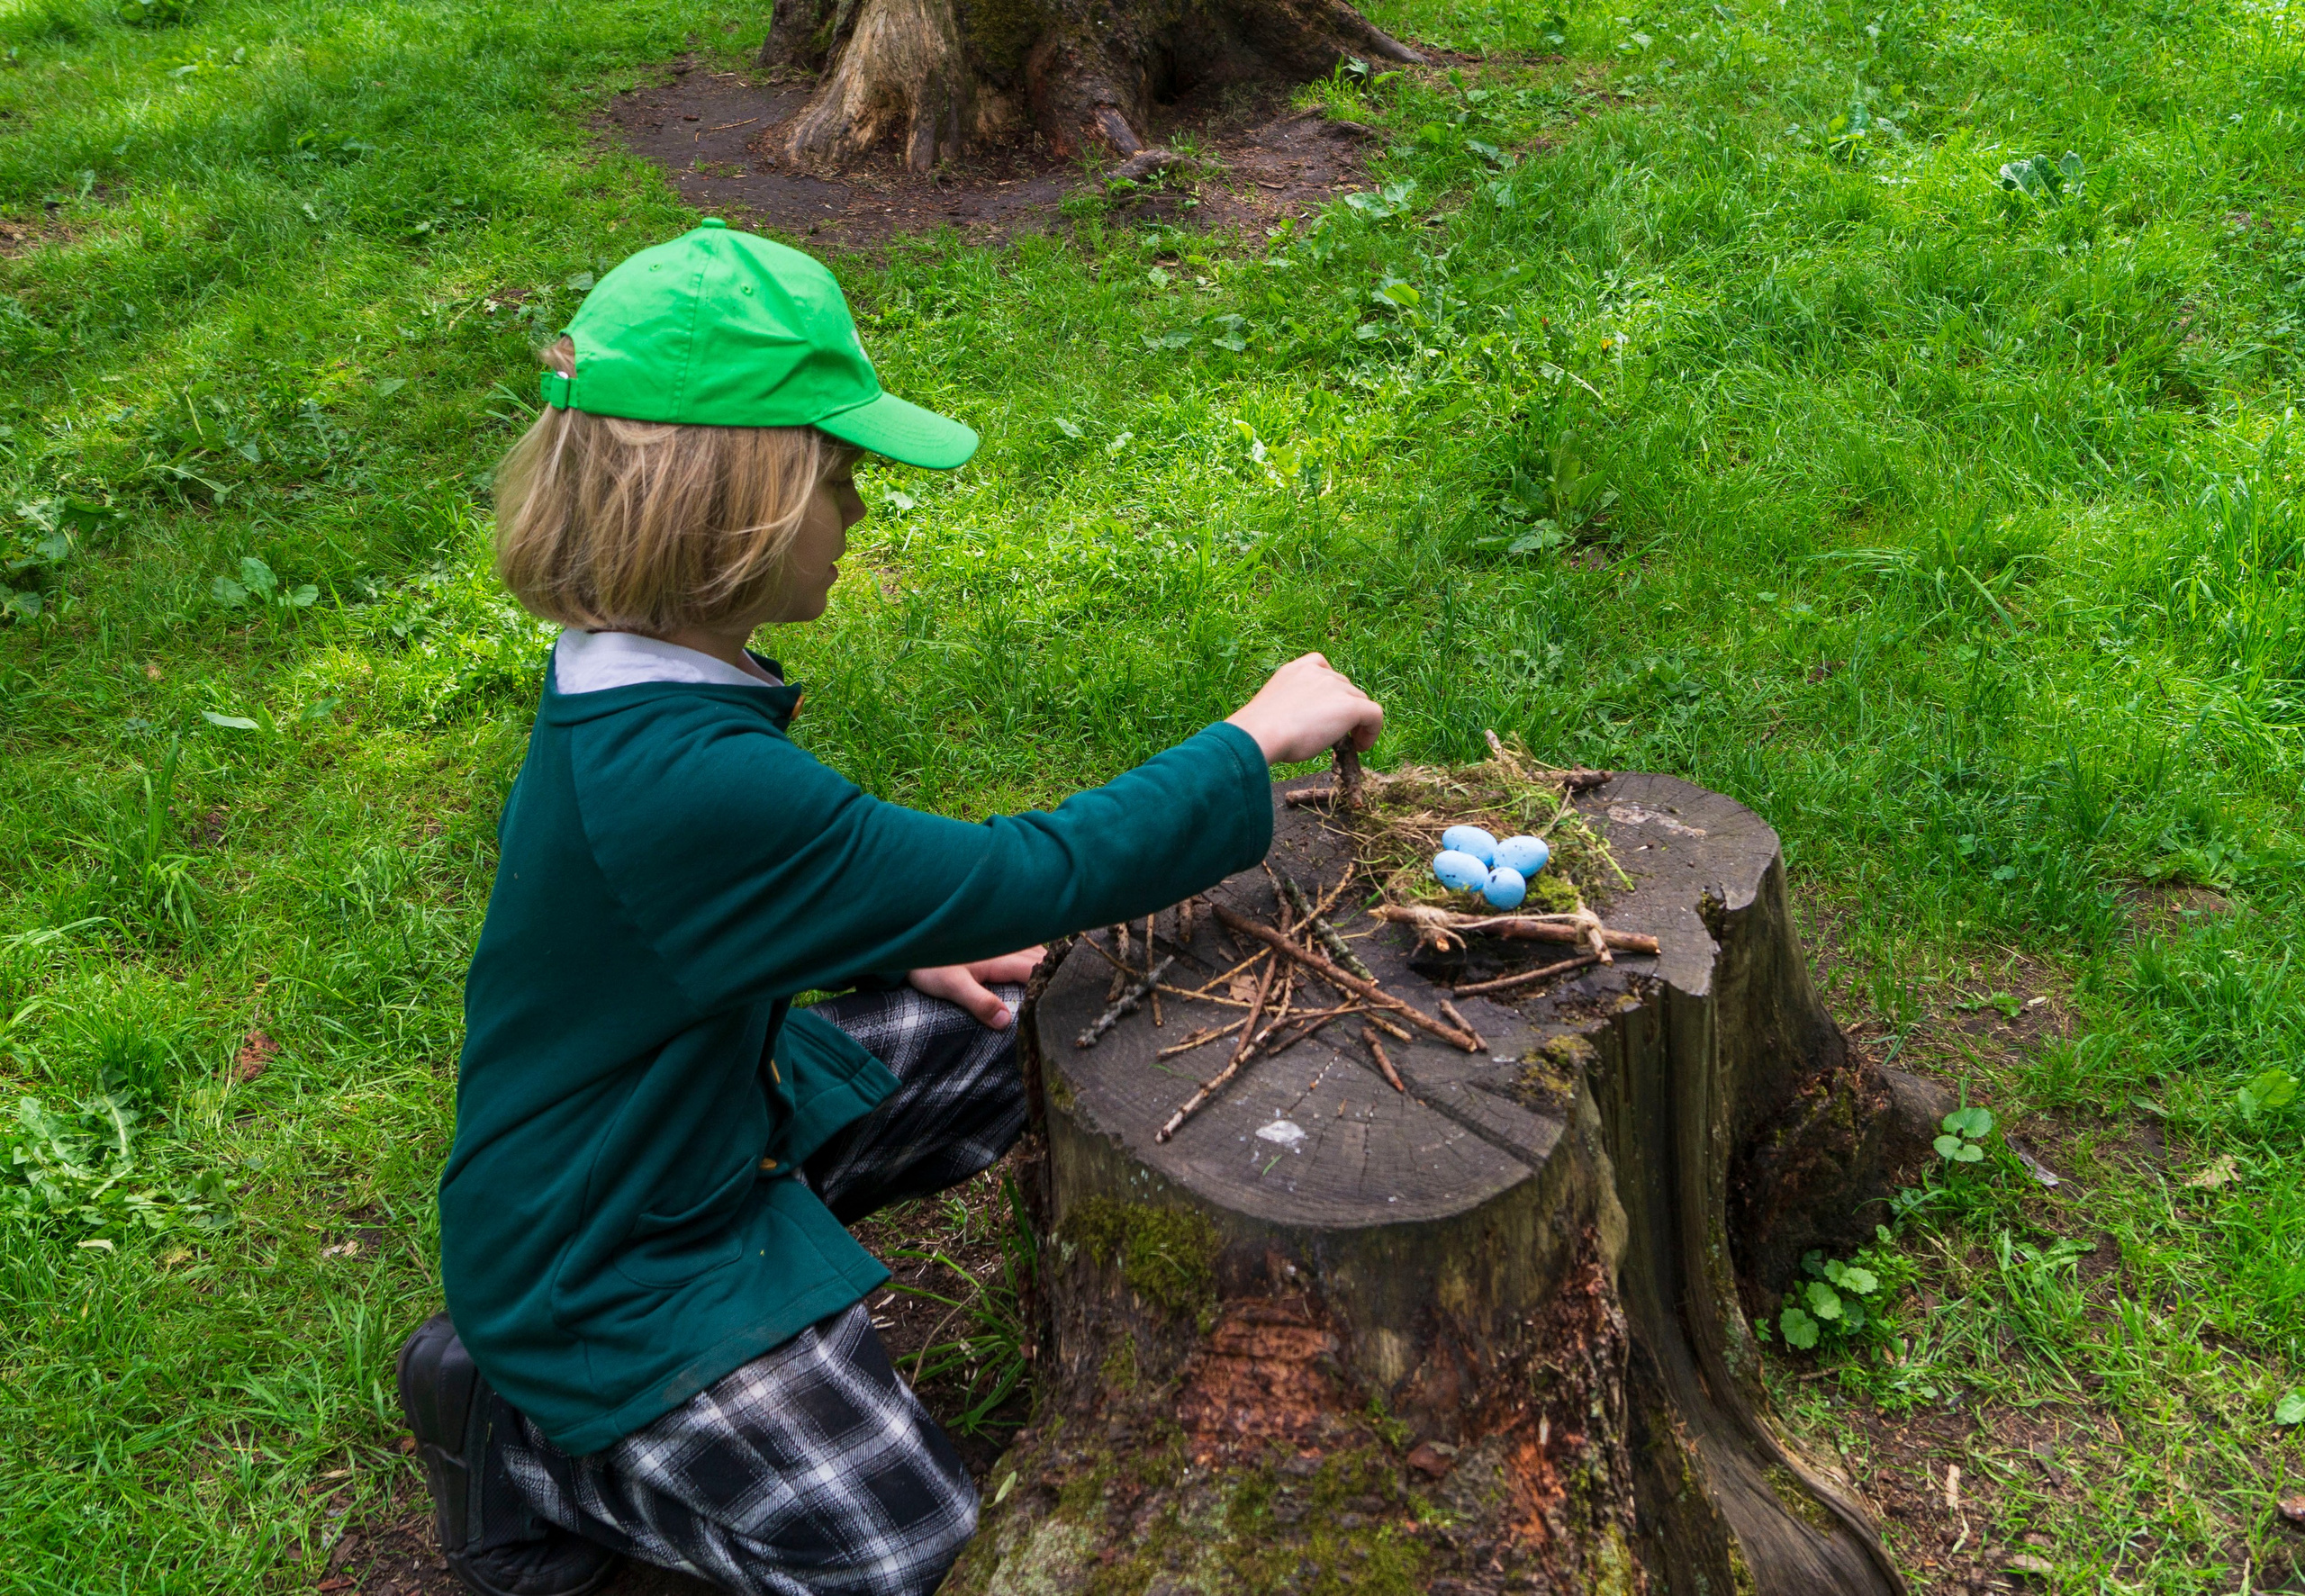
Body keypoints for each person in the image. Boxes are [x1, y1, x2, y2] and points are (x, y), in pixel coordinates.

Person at [394, 219, 1384, 1596]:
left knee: (1016, 1023)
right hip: (611, 1266)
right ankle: (536, 1442)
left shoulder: (633, 673)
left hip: (692, 1129)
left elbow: (702, 917)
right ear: (732, 502)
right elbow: (1024, 874)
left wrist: (892, 929)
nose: (859, 508)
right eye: (837, 474)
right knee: (912, 1553)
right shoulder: (682, 774)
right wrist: (1248, 740)